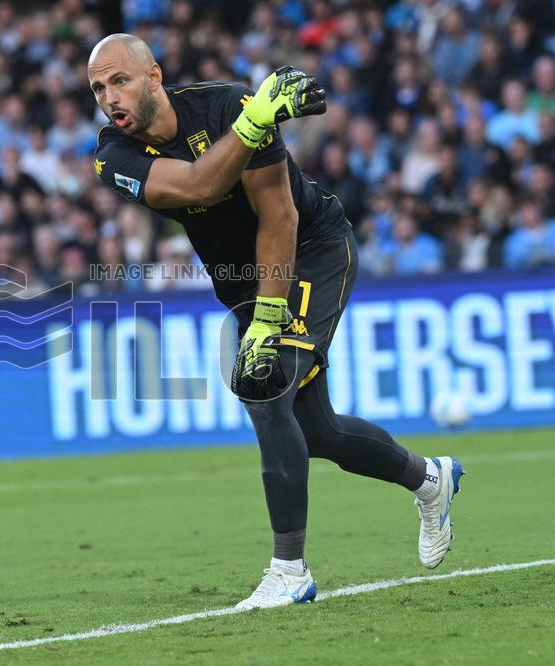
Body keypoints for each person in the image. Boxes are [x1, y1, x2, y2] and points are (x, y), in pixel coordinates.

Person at [88, 34, 465, 610]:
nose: (108, 96)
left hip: (311, 246)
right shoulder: (112, 154)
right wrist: (258, 121)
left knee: (264, 386)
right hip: (243, 279)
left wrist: (269, 316)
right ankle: (430, 480)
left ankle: (289, 570)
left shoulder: (226, 107)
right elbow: (195, 185)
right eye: (97, 87)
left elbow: (280, 212)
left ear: (154, 76)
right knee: (320, 433)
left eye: (119, 80)